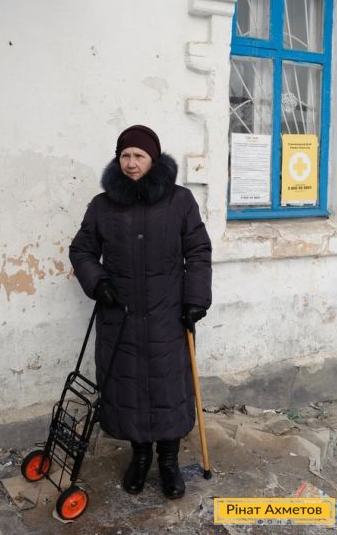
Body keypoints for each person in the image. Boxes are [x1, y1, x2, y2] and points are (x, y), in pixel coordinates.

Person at [69, 125, 212, 499]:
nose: (131, 163)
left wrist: (195, 299)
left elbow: (198, 250)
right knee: (129, 388)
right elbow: (81, 250)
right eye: (125, 155)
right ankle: (141, 456)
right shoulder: (102, 206)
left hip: (169, 317)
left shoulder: (180, 201)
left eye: (139, 156)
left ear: (154, 159)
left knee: (168, 387)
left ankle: (169, 461)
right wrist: (98, 282)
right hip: (121, 318)